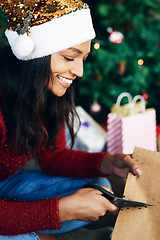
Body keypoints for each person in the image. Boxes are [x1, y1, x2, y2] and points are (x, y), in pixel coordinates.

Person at [0, 0, 142, 240]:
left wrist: (108, 162)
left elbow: (53, 156)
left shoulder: (44, 92)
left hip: (6, 184)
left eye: (83, 58)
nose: (79, 72)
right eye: (69, 57)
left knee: (96, 185)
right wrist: (61, 210)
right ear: (34, 55)